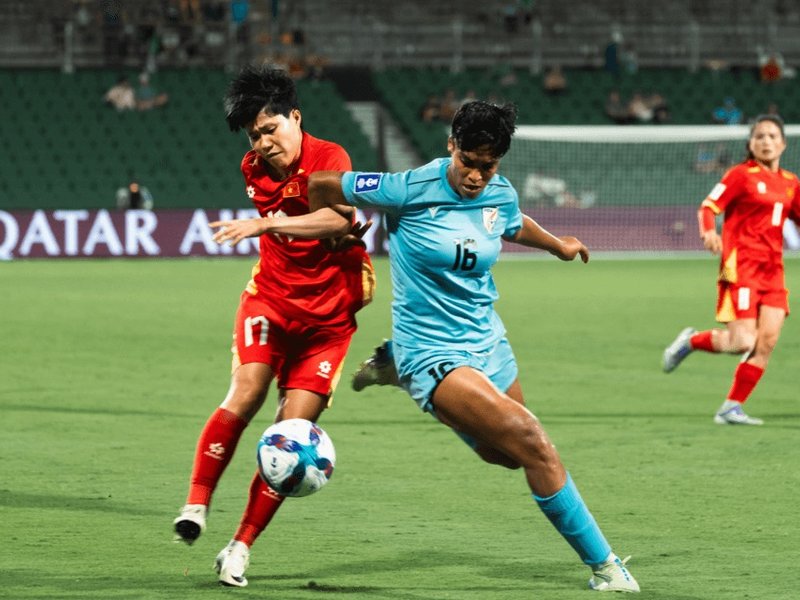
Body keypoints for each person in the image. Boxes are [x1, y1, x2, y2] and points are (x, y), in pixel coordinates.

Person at [227, 100, 640, 592]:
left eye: (488, 166)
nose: (476, 175)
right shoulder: (408, 188)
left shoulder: (498, 193)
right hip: (431, 349)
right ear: (451, 146)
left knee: (505, 456)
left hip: (488, 339)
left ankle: (396, 372)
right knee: (535, 445)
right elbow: (322, 184)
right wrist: (337, 227)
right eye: (468, 161)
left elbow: (510, 220)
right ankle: (607, 568)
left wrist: (558, 244)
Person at [172, 64, 375, 587]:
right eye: (254, 135)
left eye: (270, 129)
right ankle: (195, 505)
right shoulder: (254, 168)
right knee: (246, 391)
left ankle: (239, 547)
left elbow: (337, 218)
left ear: (296, 117)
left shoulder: (331, 158)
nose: (262, 143)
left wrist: (268, 223)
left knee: (292, 436)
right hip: (272, 303)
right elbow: (332, 224)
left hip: (328, 323)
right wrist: (323, 228)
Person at [662, 114, 800, 425]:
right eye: (760, 136)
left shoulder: (791, 184)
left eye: (772, 136)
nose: (766, 141)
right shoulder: (741, 175)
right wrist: (709, 231)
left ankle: (731, 407)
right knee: (743, 343)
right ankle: (691, 341)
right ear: (750, 144)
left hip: (773, 272)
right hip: (738, 268)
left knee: (767, 342)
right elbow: (708, 206)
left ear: (784, 143)